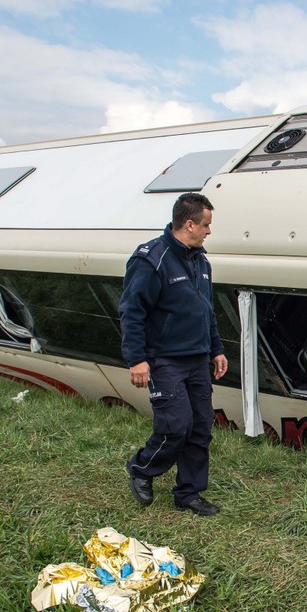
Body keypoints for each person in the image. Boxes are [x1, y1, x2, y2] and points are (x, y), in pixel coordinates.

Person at [120, 192, 229, 515]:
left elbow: (205, 311)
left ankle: (189, 494)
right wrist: (136, 359)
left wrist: (217, 349)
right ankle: (142, 468)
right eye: (206, 225)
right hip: (164, 359)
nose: (209, 231)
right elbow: (132, 311)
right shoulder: (151, 259)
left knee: (200, 426)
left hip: (197, 358)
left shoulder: (201, 261)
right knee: (175, 426)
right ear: (190, 223)